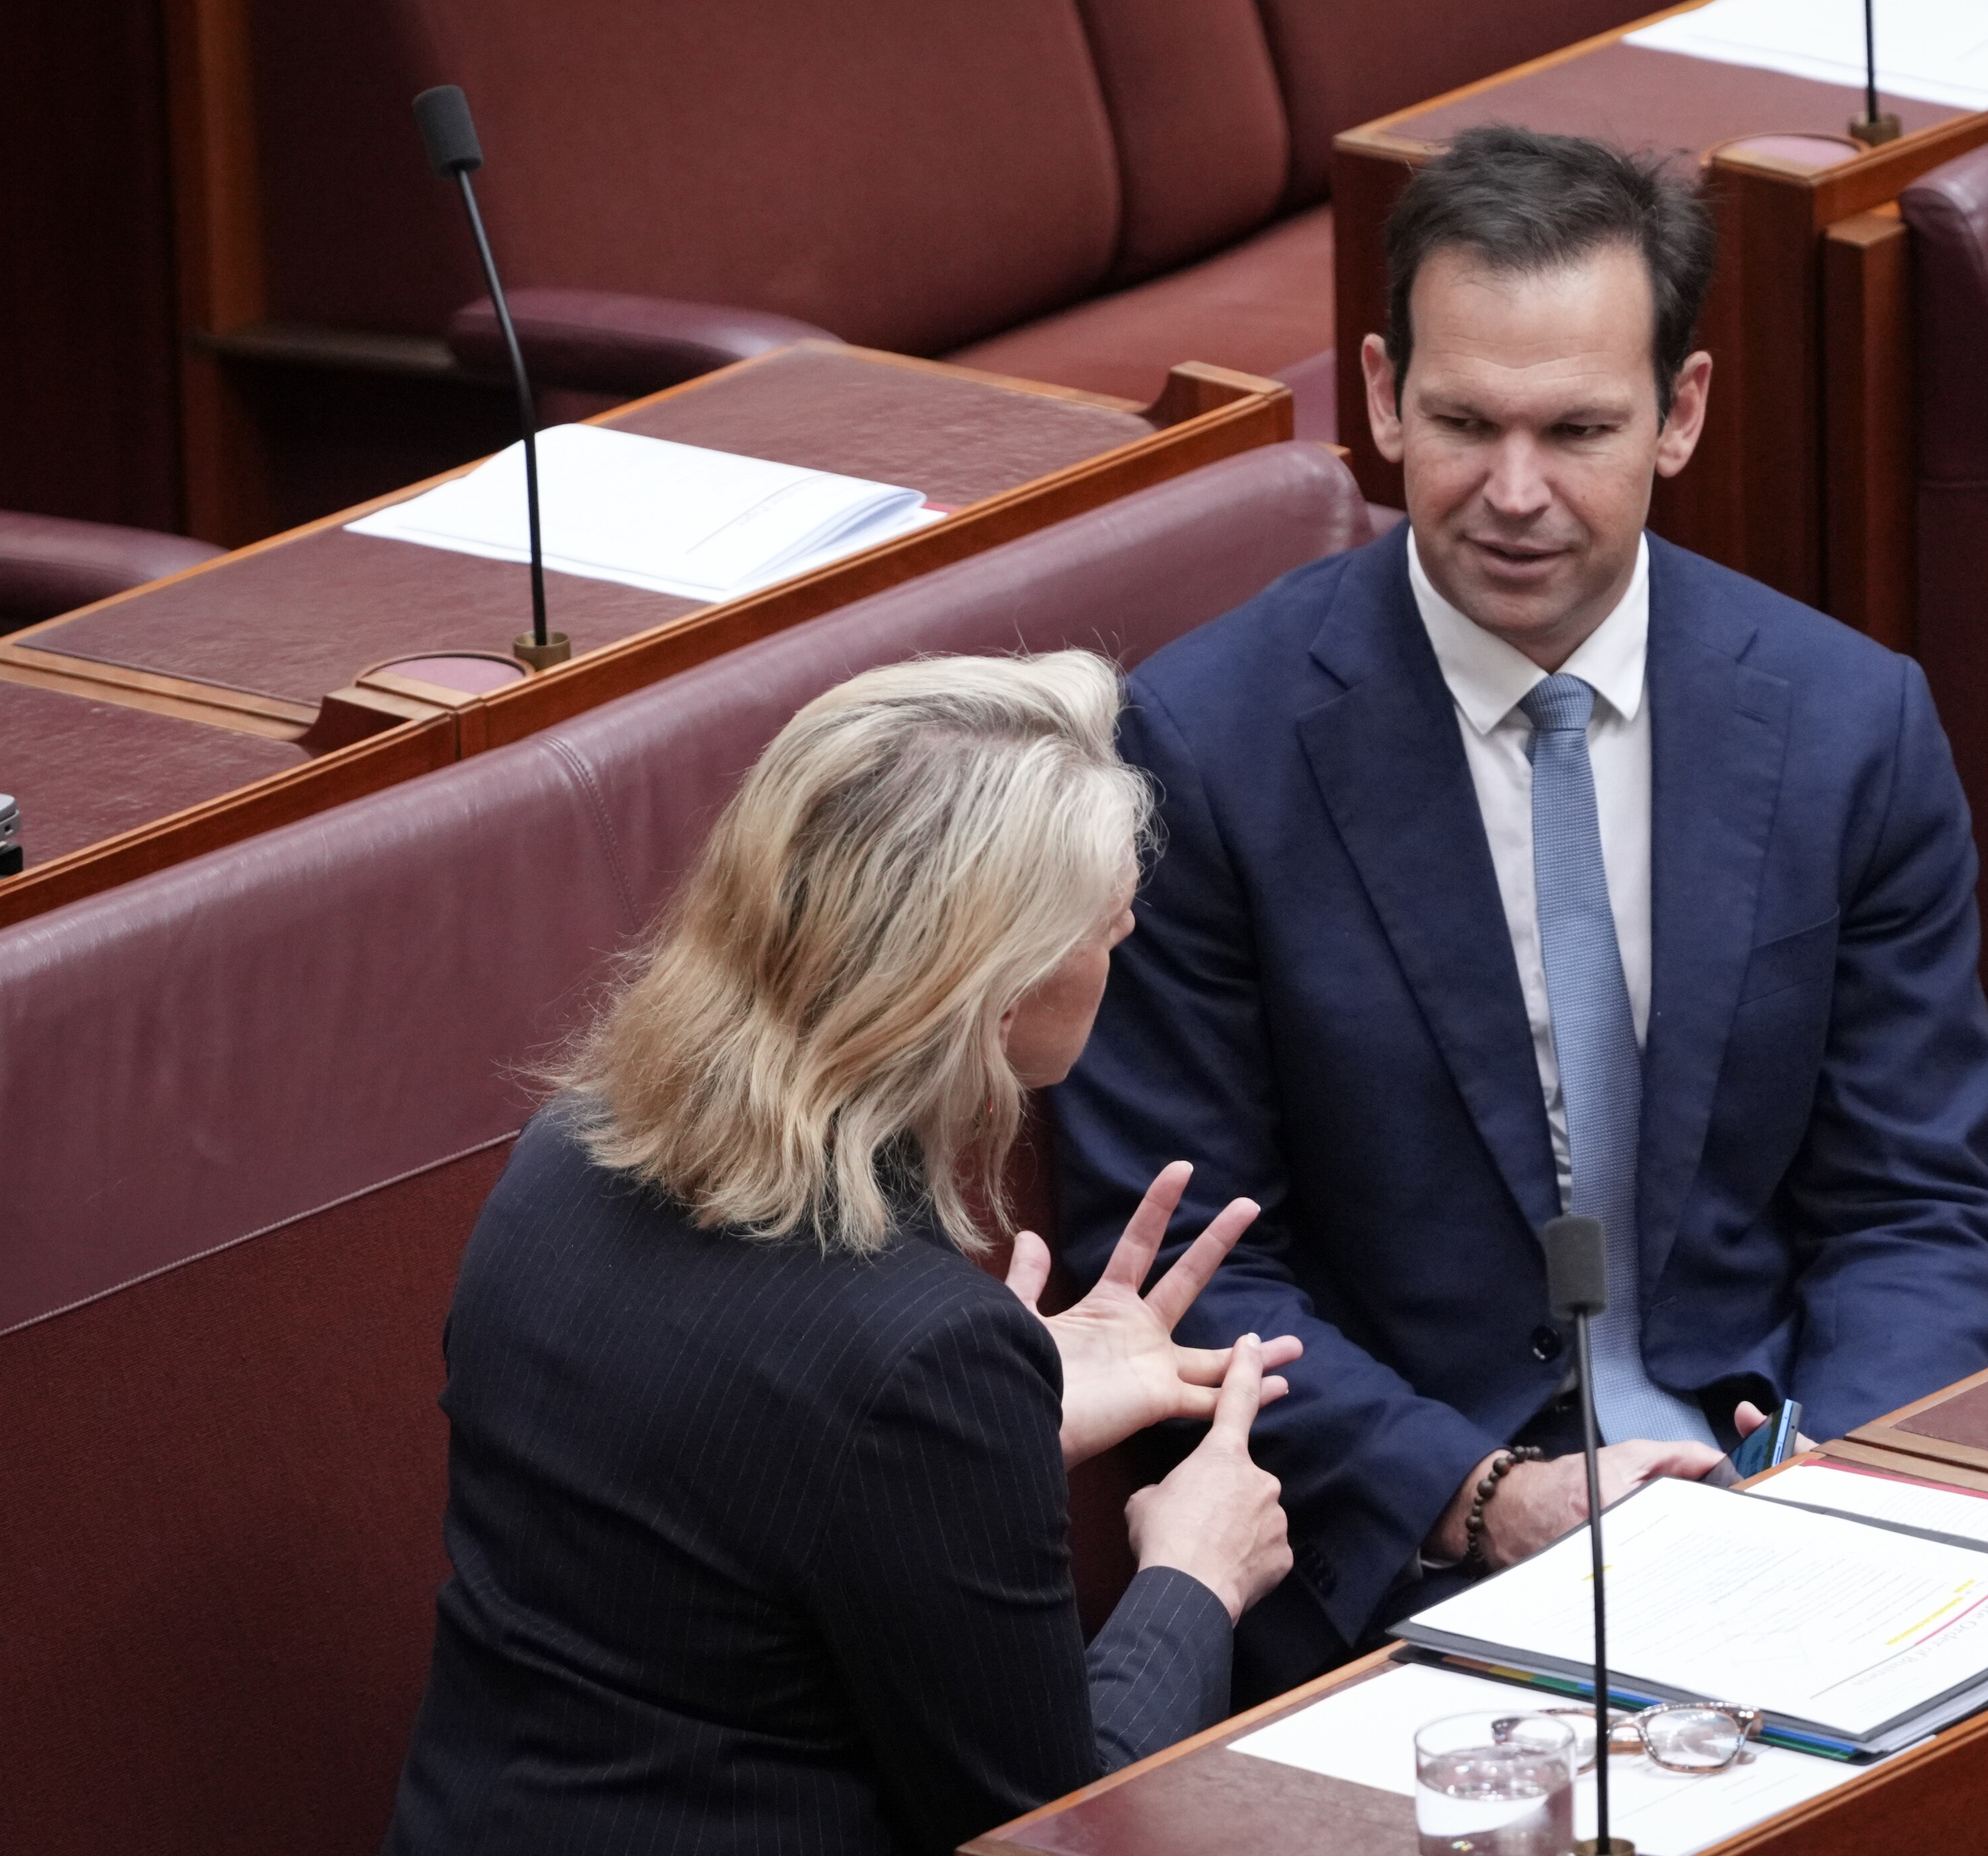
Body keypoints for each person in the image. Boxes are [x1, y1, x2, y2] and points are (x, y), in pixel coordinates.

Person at [1046, 126, 1988, 1694]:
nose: (1514, 495)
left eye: (1576, 429)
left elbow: (1916, 1201)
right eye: (1459, 424)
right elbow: (1191, 1262)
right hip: (1407, 1546)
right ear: (1378, 395)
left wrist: (1841, 1486)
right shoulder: (1206, 748)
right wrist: (1481, 1497)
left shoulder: (1851, 723)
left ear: (1680, 414)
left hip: (1795, 1481)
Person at [384, 652, 1301, 1855]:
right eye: (1104, 916)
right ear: (991, 990)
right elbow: (1047, 1835)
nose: (1129, 924)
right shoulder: (916, 1360)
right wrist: (1195, 1572)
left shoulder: (564, 1154)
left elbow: (730, 1505)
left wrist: (989, 1438)